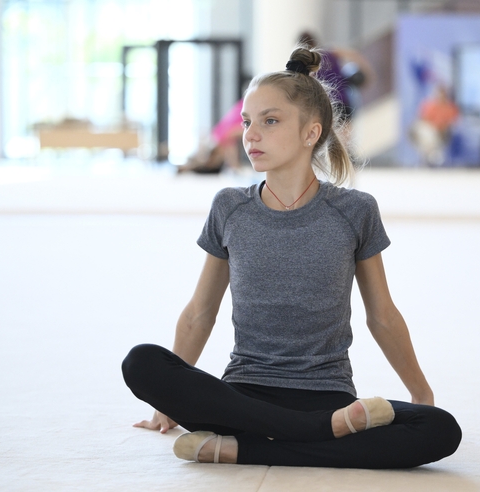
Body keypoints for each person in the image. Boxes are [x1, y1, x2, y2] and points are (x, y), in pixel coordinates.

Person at [122, 45, 461, 469]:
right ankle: (316, 436)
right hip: (241, 397)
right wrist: (166, 402)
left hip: (325, 396)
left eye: (270, 121)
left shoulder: (354, 211)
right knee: (142, 363)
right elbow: (199, 313)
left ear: (311, 133)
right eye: (247, 122)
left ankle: (245, 449)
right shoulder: (230, 207)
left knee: (441, 429)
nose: (250, 134)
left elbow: (383, 315)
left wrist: (421, 395)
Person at [177, 99, 245, 174]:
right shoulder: (219, 135)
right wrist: (236, 167)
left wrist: (236, 167)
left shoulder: (221, 136)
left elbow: (232, 149)